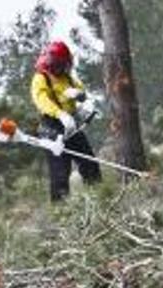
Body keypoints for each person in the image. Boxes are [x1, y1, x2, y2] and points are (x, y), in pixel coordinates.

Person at [31, 40, 101, 202]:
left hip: (71, 126)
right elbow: (42, 100)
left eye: (65, 64)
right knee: (60, 174)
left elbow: (80, 88)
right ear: (52, 63)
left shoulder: (67, 77)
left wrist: (78, 94)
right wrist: (60, 114)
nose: (64, 67)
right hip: (51, 128)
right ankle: (61, 214)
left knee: (90, 163)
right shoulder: (40, 78)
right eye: (61, 64)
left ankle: (99, 198)